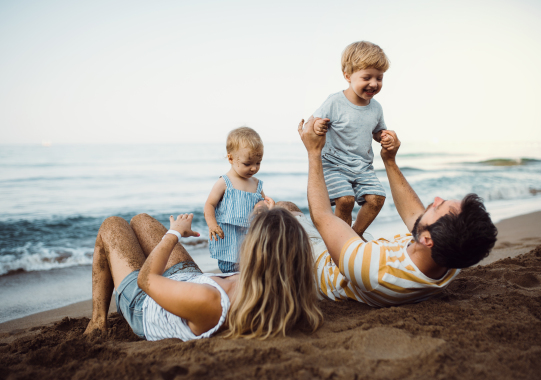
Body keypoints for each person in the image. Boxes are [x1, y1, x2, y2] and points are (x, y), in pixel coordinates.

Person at [295, 117, 498, 307]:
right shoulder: (452, 257)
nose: (435, 200)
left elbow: (322, 216)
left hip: (318, 267)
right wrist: (389, 160)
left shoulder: (374, 271)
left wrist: (314, 152)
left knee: (287, 209)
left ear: (427, 240)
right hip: (368, 249)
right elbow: (414, 215)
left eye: (438, 206)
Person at [83, 204, 323, 341]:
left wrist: (174, 233)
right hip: (188, 278)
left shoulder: (210, 302)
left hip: (145, 303)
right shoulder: (282, 287)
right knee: (141, 220)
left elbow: (147, 280)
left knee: (112, 224)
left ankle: (97, 322)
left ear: (256, 252)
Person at [310, 41, 396, 239]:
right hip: (334, 165)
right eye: (367, 77)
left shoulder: (376, 108)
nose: (374, 83)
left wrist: (383, 136)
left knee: (377, 199)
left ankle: (354, 236)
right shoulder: (335, 102)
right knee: (345, 200)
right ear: (347, 76)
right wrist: (317, 126)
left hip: (362, 167)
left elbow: (376, 131)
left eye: (379, 78)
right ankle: (339, 240)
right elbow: (314, 122)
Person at [204, 127, 267, 273]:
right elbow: (210, 204)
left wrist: (261, 205)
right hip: (229, 240)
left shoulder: (256, 183)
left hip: (251, 238)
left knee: (253, 268)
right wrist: (212, 224)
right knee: (231, 271)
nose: (253, 168)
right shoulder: (225, 182)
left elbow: (263, 201)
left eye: (258, 163)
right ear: (231, 158)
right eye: (247, 163)